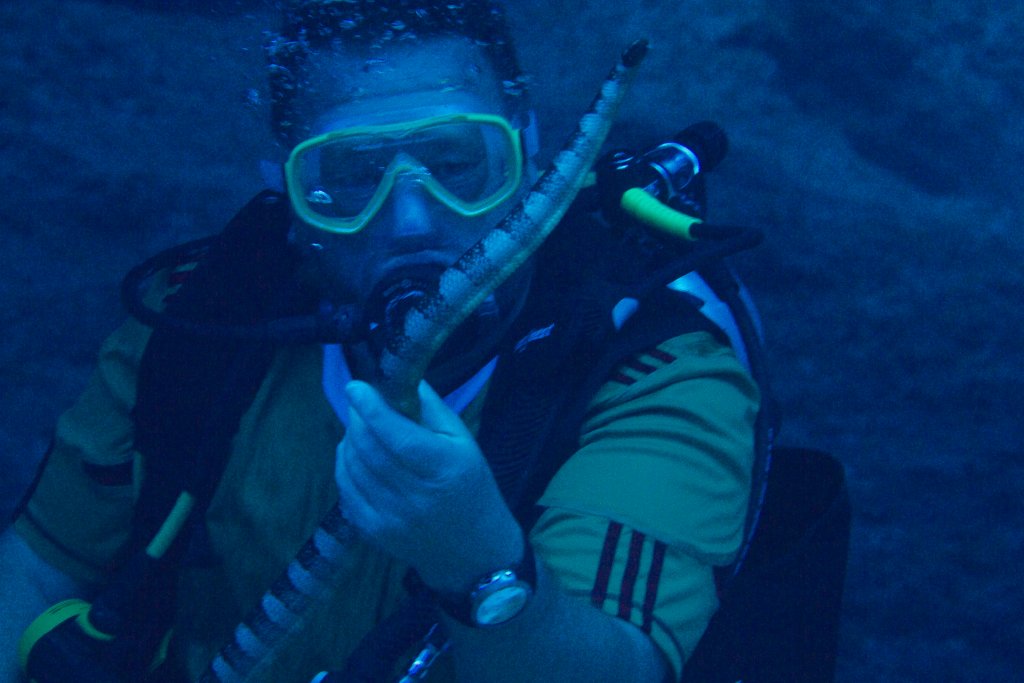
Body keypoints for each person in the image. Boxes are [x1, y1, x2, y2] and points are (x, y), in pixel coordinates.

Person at [0, 1, 763, 681]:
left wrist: (475, 559)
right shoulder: (197, 318)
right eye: (350, 179)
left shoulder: (657, 367)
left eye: (460, 164)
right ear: (292, 200)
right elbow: (37, 570)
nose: (411, 221)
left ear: (527, 160)